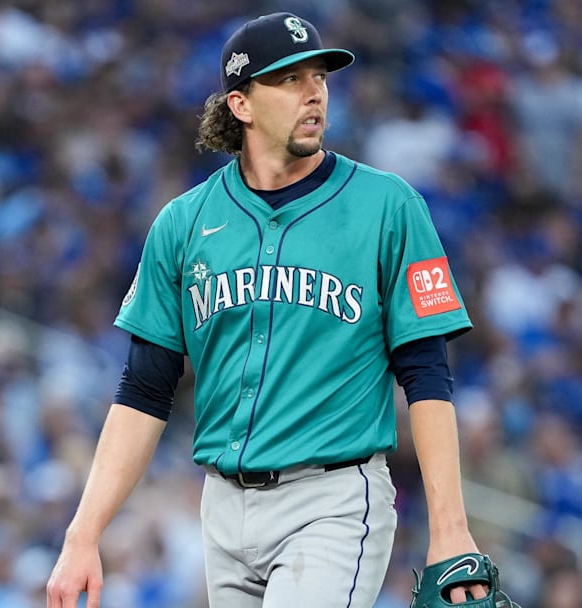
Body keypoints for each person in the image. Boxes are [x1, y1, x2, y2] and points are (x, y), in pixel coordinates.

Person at [47, 12, 491, 608]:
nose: (314, 92)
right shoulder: (184, 223)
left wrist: (450, 529)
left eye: (321, 77)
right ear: (241, 103)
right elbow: (144, 391)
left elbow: (426, 373)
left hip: (332, 499)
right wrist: (83, 534)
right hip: (222, 511)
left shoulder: (388, 206)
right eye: (289, 79)